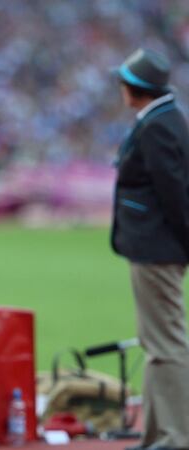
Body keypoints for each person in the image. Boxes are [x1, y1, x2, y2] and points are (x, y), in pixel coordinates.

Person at [112, 48, 189, 450]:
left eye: (123, 82)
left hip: (158, 248)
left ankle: (175, 436)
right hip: (156, 247)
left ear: (136, 88)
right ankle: (157, 435)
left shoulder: (158, 126)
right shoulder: (162, 119)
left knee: (168, 345)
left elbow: (174, 194)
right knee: (158, 345)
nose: (120, 88)